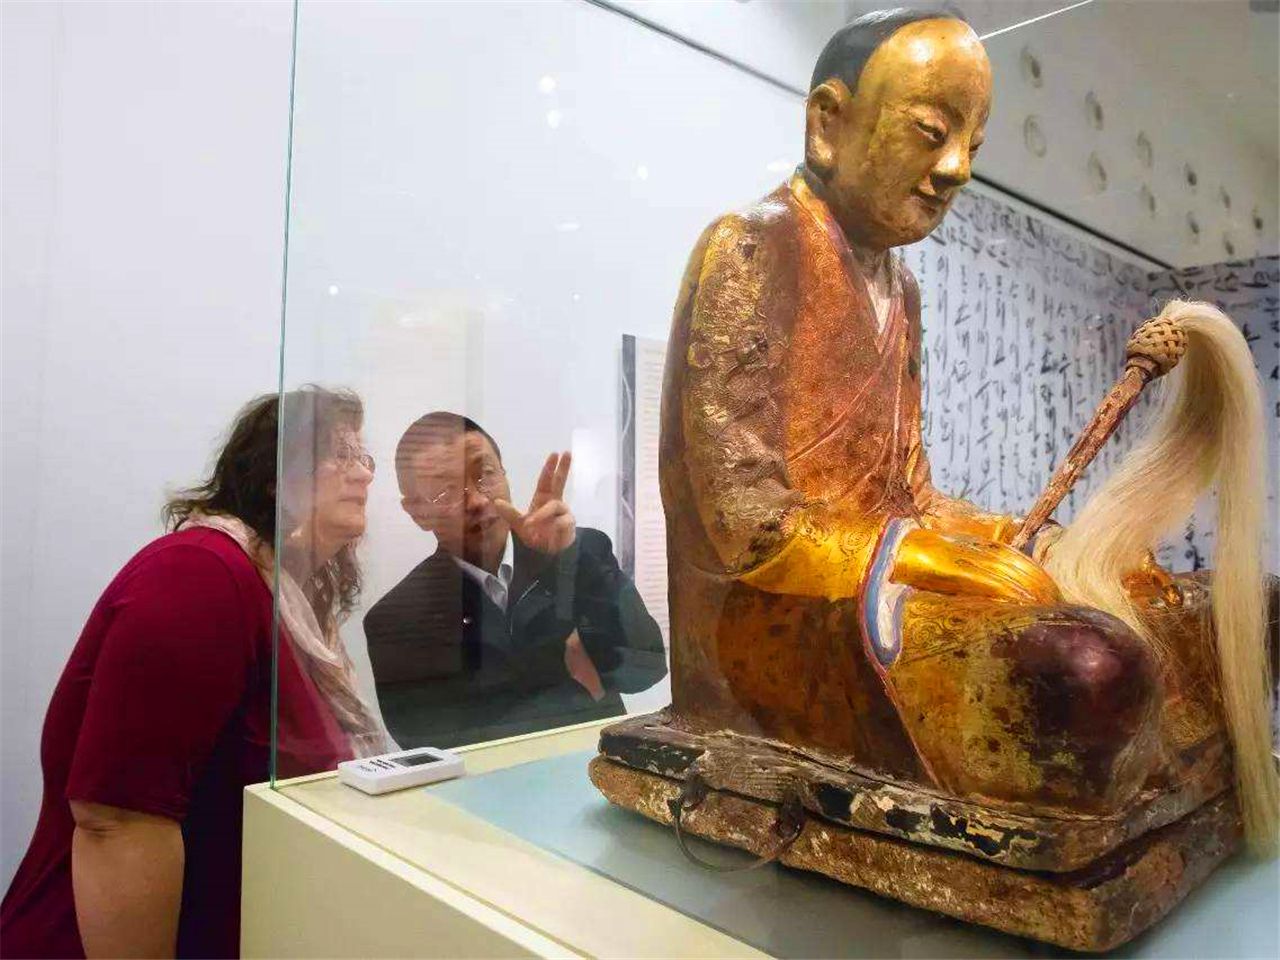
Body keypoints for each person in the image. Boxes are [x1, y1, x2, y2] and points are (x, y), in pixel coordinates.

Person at [657, 8, 1180, 813]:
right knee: (1083, 667)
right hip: (773, 627)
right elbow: (748, 525)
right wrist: (927, 561)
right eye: (933, 131)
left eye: (973, 142)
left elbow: (909, 496)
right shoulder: (752, 246)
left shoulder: (902, 289)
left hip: (866, 579)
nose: (958, 167)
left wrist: (1019, 537)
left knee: (1148, 605)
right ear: (829, 124)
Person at [1, 387, 387, 959]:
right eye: (338, 453)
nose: (362, 474)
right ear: (273, 476)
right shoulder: (199, 575)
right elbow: (117, 821)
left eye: (363, 456)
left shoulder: (288, 604)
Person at [364, 412, 666, 748]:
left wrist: (566, 559)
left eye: (486, 475)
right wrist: (578, 684)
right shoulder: (398, 617)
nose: (477, 501)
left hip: (592, 768)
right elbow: (434, 742)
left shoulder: (583, 552)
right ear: (416, 511)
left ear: (505, 473)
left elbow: (645, 671)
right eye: (445, 491)